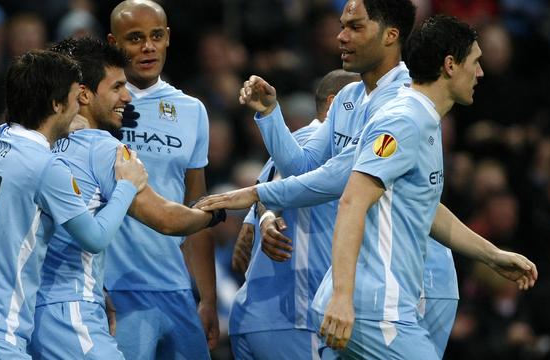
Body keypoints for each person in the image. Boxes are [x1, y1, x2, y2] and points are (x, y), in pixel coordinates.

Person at [195, 0, 530, 356]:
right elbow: (319, 172)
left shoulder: (404, 102)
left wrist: (259, 197)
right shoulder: (360, 100)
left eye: (355, 27)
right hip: (373, 294)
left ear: (391, 35)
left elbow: (365, 186)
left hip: (418, 280)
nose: (341, 36)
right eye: (343, 26)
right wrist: (271, 119)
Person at [315, 15, 536, 358]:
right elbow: (352, 202)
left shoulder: (423, 120)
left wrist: (493, 255)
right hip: (373, 308)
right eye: (475, 62)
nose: (480, 73)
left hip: (375, 304)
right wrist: (342, 297)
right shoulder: (404, 121)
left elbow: (426, 207)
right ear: (450, 65)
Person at [0, 49, 147, 359]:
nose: (80, 108)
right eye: (76, 98)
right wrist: (127, 185)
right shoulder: (47, 168)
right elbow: (95, 238)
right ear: (56, 104)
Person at [28, 37, 223, 359]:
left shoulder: (32, 143)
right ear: (85, 94)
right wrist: (220, 209)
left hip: (34, 305)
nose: (126, 96)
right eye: (117, 86)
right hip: (77, 307)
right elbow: (167, 218)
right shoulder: (105, 149)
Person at [106, 1, 217, 358]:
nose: (147, 47)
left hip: (175, 288)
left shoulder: (192, 110)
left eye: (155, 36)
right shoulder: (94, 107)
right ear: (114, 43)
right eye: (135, 38)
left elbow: (197, 206)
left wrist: (208, 298)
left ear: (168, 38)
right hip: (113, 288)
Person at [229, 69, 359, 359]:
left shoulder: (296, 141)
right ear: (336, 102)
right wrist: (262, 220)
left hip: (259, 313)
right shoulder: (318, 141)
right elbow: (281, 186)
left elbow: (266, 190)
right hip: (296, 316)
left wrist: (256, 221)